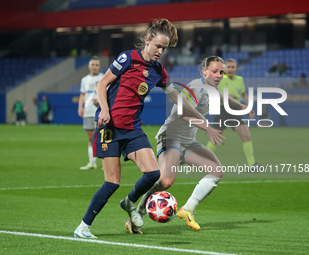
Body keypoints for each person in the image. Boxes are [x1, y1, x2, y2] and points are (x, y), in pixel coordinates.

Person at [73, 19, 225, 239]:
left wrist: (202, 120)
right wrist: (104, 110)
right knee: (111, 183)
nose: (160, 51)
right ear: (147, 41)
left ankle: (130, 202)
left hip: (133, 128)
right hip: (110, 127)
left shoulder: (158, 70)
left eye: (163, 48)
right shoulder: (127, 58)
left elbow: (176, 97)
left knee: (153, 173)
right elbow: (102, 84)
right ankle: (83, 226)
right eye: (157, 46)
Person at [125, 56, 254, 234]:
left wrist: (242, 107)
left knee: (216, 170)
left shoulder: (212, 88)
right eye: (214, 71)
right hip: (171, 136)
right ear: (204, 71)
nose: (218, 75)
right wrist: (207, 128)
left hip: (187, 140)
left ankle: (188, 209)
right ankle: (136, 213)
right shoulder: (196, 88)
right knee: (166, 181)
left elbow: (224, 98)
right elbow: (182, 112)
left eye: (221, 72)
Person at [206, 58, 261, 169]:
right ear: (225, 69)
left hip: (236, 110)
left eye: (233, 67)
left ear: (236, 68)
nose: (231, 69)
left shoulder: (239, 80)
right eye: (229, 67)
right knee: (215, 137)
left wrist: (249, 106)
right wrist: (227, 97)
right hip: (223, 110)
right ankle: (202, 160)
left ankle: (252, 164)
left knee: (246, 136)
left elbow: (243, 94)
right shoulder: (220, 79)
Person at [78, 56, 104, 170]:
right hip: (88, 111)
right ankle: (92, 163)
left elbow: (108, 94)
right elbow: (83, 94)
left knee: (103, 138)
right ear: (89, 66)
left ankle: (105, 163)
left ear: (99, 66)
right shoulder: (84, 80)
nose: (94, 67)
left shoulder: (103, 78)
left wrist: (100, 100)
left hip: (101, 112)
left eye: (97, 65)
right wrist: (80, 107)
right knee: (91, 138)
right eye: (93, 64)